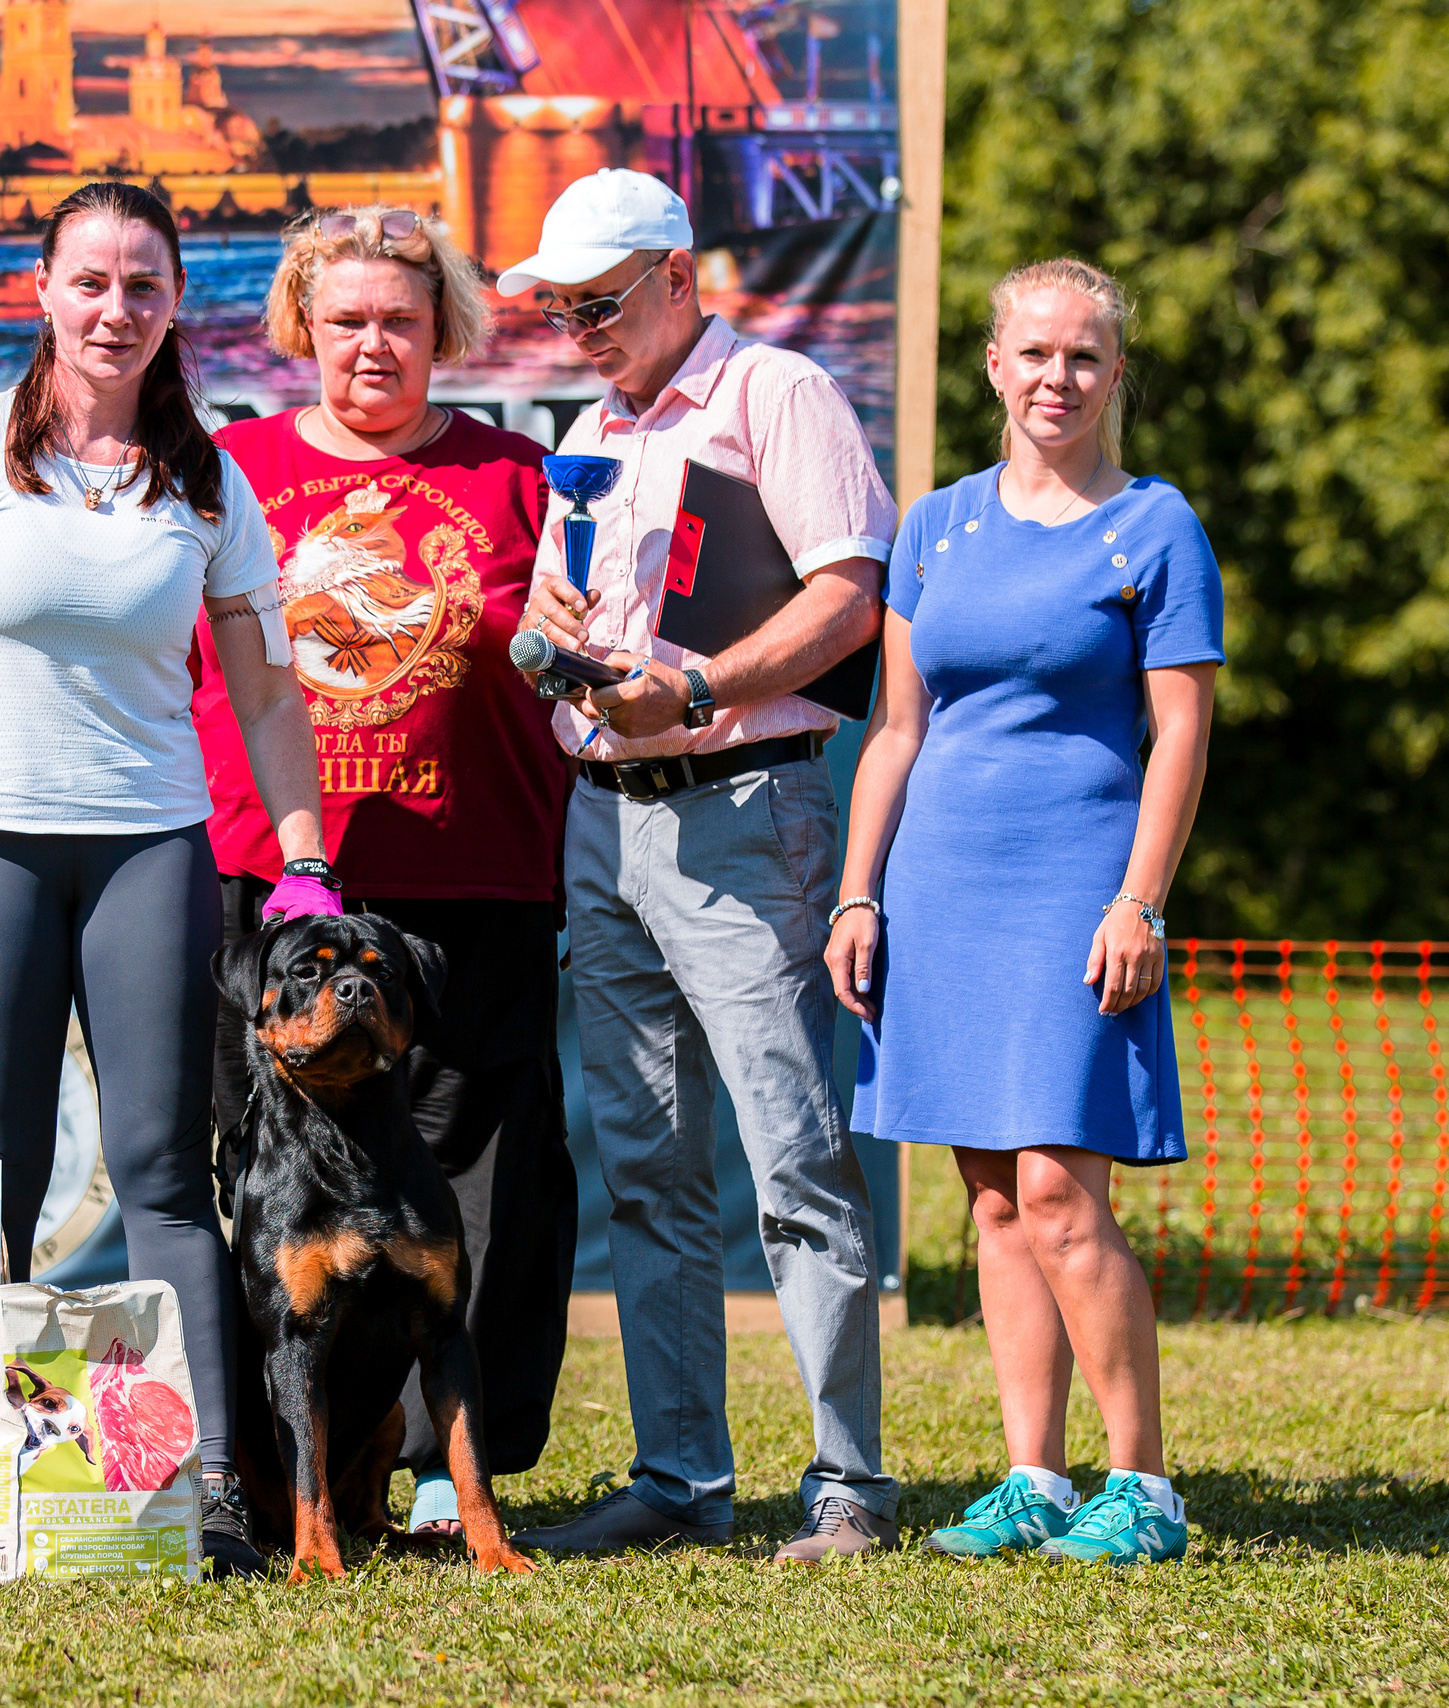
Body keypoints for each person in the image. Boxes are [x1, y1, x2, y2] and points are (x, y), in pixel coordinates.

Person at [0, 180, 342, 1580]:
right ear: (44, 291)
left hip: (150, 851)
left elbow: (268, 693)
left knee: (165, 1177)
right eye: (90, 281)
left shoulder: (208, 481)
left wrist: (305, 858)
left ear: (176, 307)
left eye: (143, 286)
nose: (114, 309)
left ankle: (208, 1488)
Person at [499, 169, 901, 1565]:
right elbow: (572, 622)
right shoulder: (595, 430)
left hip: (741, 807)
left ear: (679, 277)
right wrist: (551, 630)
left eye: (599, 302)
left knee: (793, 1157)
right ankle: (679, 1481)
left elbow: (850, 595)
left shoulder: (773, 392)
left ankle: (848, 1486)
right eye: (561, 310)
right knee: (647, 1170)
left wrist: (703, 687)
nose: (579, 330)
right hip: (604, 819)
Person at [825, 257, 1222, 1567]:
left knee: (1059, 1187)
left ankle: (1143, 1488)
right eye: (1036, 354)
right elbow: (896, 730)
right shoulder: (933, 527)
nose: (1060, 377)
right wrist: (859, 891)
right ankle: (1033, 1480)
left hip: (1077, 891)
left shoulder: (1156, 526)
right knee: (993, 1198)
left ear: (1116, 374)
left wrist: (1140, 902)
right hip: (939, 887)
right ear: (993, 366)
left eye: (1085, 356)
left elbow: (1181, 736)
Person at [190, 205, 578, 1541]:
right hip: (272, 883)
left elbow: (581, 654)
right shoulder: (229, 471)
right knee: (252, 1172)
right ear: (303, 326)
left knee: (474, 1172)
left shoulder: (526, 481)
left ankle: (439, 1476)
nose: (373, 344)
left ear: (444, 331)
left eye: (401, 321)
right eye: (346, 319)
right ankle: (253, 1469)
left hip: (478, 877)